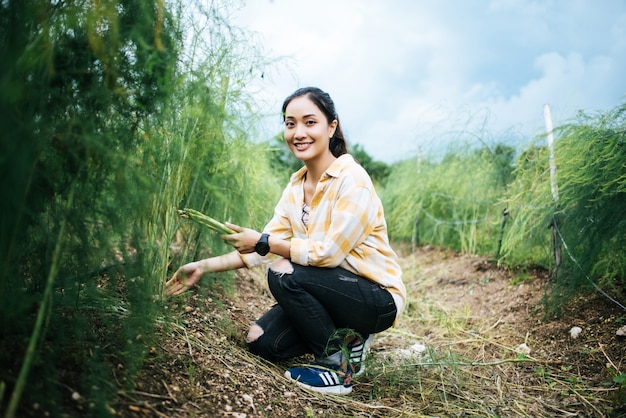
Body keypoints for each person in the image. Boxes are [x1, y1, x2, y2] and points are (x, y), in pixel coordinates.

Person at [166, 87, 406, 395]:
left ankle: (337, 366)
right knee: (259, 340)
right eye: (290, 123)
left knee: (281, 270)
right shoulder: (295, 186)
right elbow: (260, 248)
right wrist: (200, 266)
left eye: (309, 122)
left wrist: (266, 242)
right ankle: (349, 340)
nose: (298, 132)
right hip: (330, 295)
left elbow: (327, 255)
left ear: (331, 127)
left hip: (374, 299)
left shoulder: (352, 179)